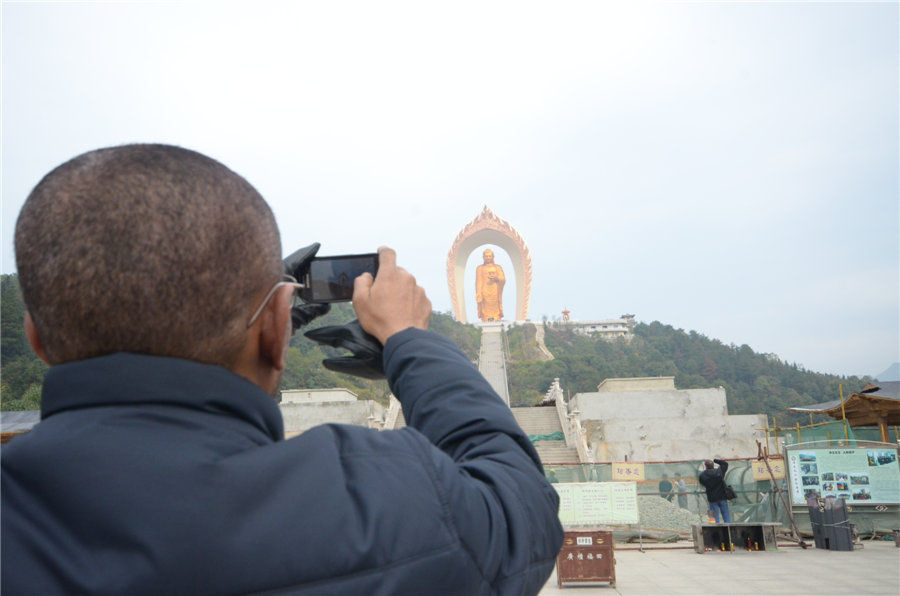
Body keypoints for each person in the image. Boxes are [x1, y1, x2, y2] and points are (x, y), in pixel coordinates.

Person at [1, 144, 563, 595]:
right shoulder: (385, 506)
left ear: (36, 338)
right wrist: (409, 342)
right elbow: (519, 503)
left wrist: (269, 314)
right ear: (277, 330)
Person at [475, 248, 505, 322]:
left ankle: (496, 317)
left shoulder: (498, 267)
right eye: (486, 256)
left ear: (493, 257)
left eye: (489, 256)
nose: (488, 258)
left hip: (495, 289)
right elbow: (478, 281)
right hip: (484, 289)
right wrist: (478, 292)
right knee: (485, 304)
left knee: (495, 303)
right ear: (483, 257)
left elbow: (503, 279)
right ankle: (486, 317)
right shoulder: (480, 268)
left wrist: (496, 278)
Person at [699, 458, 731, 523]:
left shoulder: (703, 475)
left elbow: (702, 483)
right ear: (713, 465)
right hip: (722, 497)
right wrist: (715, 460)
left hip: (712, 499)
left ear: (705, 466)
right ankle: (728, 530)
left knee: (713, 520)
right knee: (727, 518)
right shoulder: (720, 471)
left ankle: (714, 531)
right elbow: (725, 463)